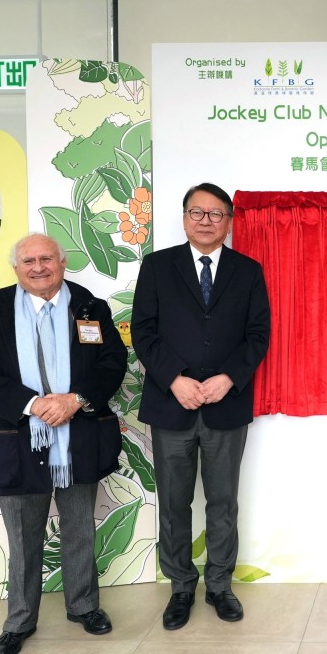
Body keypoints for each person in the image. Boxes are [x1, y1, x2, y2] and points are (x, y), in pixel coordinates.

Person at [0, 233, 127, 654]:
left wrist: (75, 400)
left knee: (79, 528)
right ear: (16, 269)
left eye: (47, 259)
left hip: (80, 437)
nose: (39, 267)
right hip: (17, 441)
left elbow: (112, 363)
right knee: (22, 538)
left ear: (62, 262)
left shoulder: (90, 309)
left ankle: (84, 606)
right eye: (29, 260)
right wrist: (33, 404)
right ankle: (18, 622)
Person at [132, 182, 270, 628]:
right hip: (172, 405)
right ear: (185, 217)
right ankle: (180, 588)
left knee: (222, 501)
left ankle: (220, 585)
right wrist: (175, 380)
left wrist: (227, 378)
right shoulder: (157, 266)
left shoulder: (247, 271)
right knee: (173, 502)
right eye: (197, 212)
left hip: (224, 406)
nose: (206, 221)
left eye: (216, 214)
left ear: (229, 221)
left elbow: (257, 335)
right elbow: (144, 331)